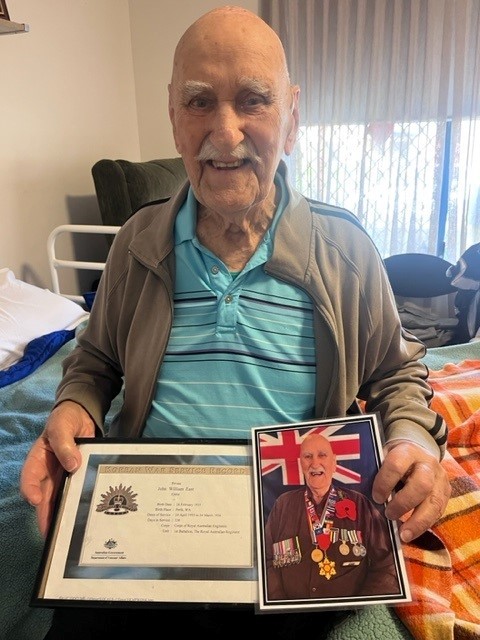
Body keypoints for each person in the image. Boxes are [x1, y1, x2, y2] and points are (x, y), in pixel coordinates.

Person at [20, 5, 451, 638]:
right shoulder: (136, 242)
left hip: (297, 533)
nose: (225, 133)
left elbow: (397, 374)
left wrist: (413, 438)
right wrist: (74, 406)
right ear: (173, 116)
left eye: (253, 100)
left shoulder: (346, 250)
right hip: (146, 534)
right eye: (199, 102)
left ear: (292, 116)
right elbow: (94, 362)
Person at [265, 432, 400, 601]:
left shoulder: (359, 503)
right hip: (288, 615)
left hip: (347, 615)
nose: (315, 463)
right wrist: (279, 602)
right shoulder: (283, 504)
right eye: (308, 456)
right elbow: (268, 559)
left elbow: (388, 562)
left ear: (334, 463)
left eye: (322, 455)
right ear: (301, 464)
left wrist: (358, 607)